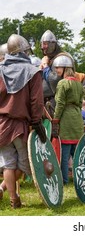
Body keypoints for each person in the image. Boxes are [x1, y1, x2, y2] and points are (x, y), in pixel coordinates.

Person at [0, 34, 46, 209]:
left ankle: (12, 197)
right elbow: (37, 101)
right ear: (24, 50)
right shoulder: (32, 71)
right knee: (25, 164)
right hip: (20, 125)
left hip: (2, 125)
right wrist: (36, 121)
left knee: (8, 164)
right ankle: (13, 198)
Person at [50, 54, 84, 185]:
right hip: (77, 117)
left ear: (65, 68)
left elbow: (60, 104)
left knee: (64, 155)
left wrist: (55, 120)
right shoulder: (79, 84)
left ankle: (64, 180)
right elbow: (80, 104)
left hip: (66, 118)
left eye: (58, 68)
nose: (56, 70)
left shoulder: (63, 83)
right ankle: (80, 180)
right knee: (77, 154)